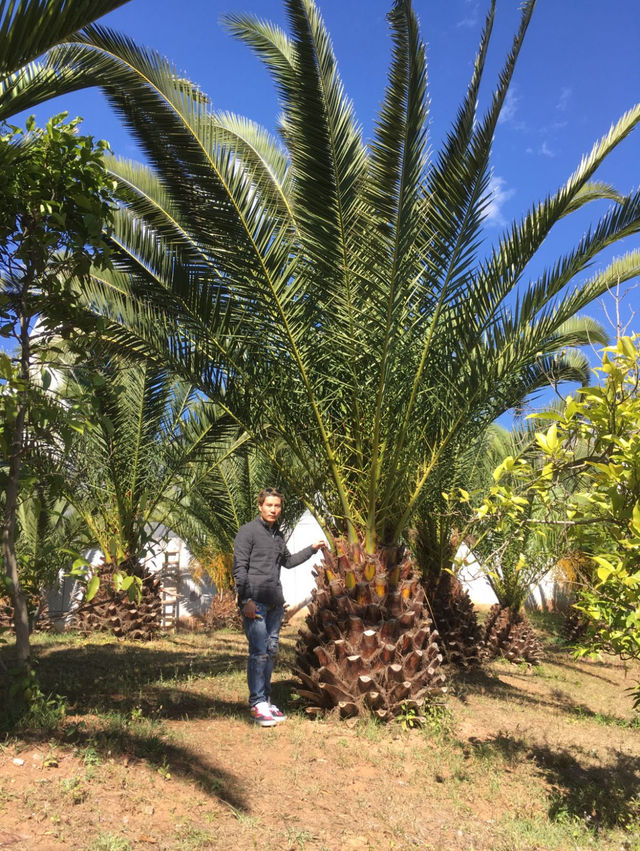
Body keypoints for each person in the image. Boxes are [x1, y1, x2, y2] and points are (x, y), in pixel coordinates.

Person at [233, 488, 326, 727]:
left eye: (277, 506)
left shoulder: (278, 535)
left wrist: (312, 549)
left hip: (275, 603)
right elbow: (240, 568)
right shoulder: (247, 532)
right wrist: (245, 600)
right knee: (259, 652)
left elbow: (288, 561)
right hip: (255, 602)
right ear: (260, 506)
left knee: (271, 650)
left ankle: (265, 700)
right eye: (269, 505)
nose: (273, 510)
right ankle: (256, 703)